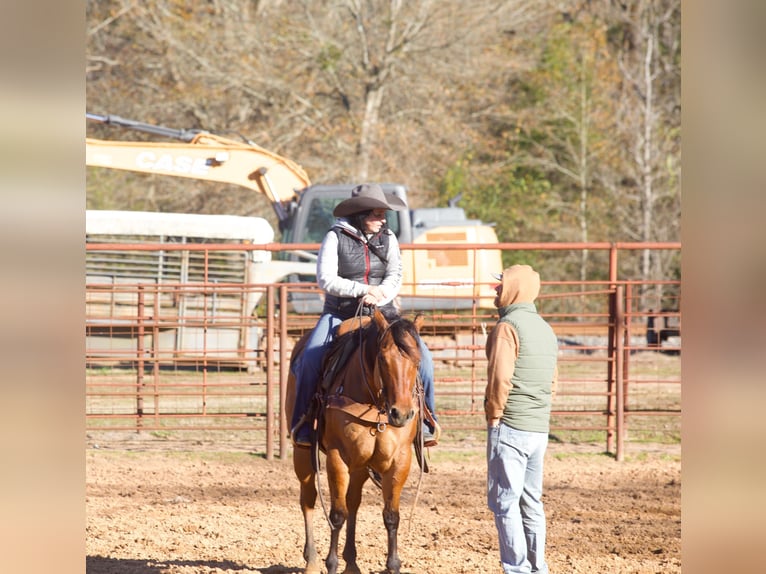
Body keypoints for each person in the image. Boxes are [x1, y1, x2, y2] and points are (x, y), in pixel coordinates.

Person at [290, 183, 440, 448]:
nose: (381, 219)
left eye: (383, 214)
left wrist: (380, 293)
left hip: (386, 312)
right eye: (375, 214)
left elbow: (396, 275)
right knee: (311, 356)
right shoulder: (335, 237)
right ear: (360, 214)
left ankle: (427, 421)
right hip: (339, 312)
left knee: (424, 358)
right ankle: (304, 424)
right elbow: (326, 279)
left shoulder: (389, 238)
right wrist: (362, 290)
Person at [484, 264, 558, 574]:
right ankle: (537, 567)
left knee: (504, 503)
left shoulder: (507, 327)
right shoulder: (545, 328)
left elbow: (500, 378)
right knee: (532, 502)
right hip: (538, 428)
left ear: (514, 288)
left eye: (500, 286)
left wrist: (494, 416)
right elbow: (554, 381)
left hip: (510, 426)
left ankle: (516, 569)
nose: (495, 290)